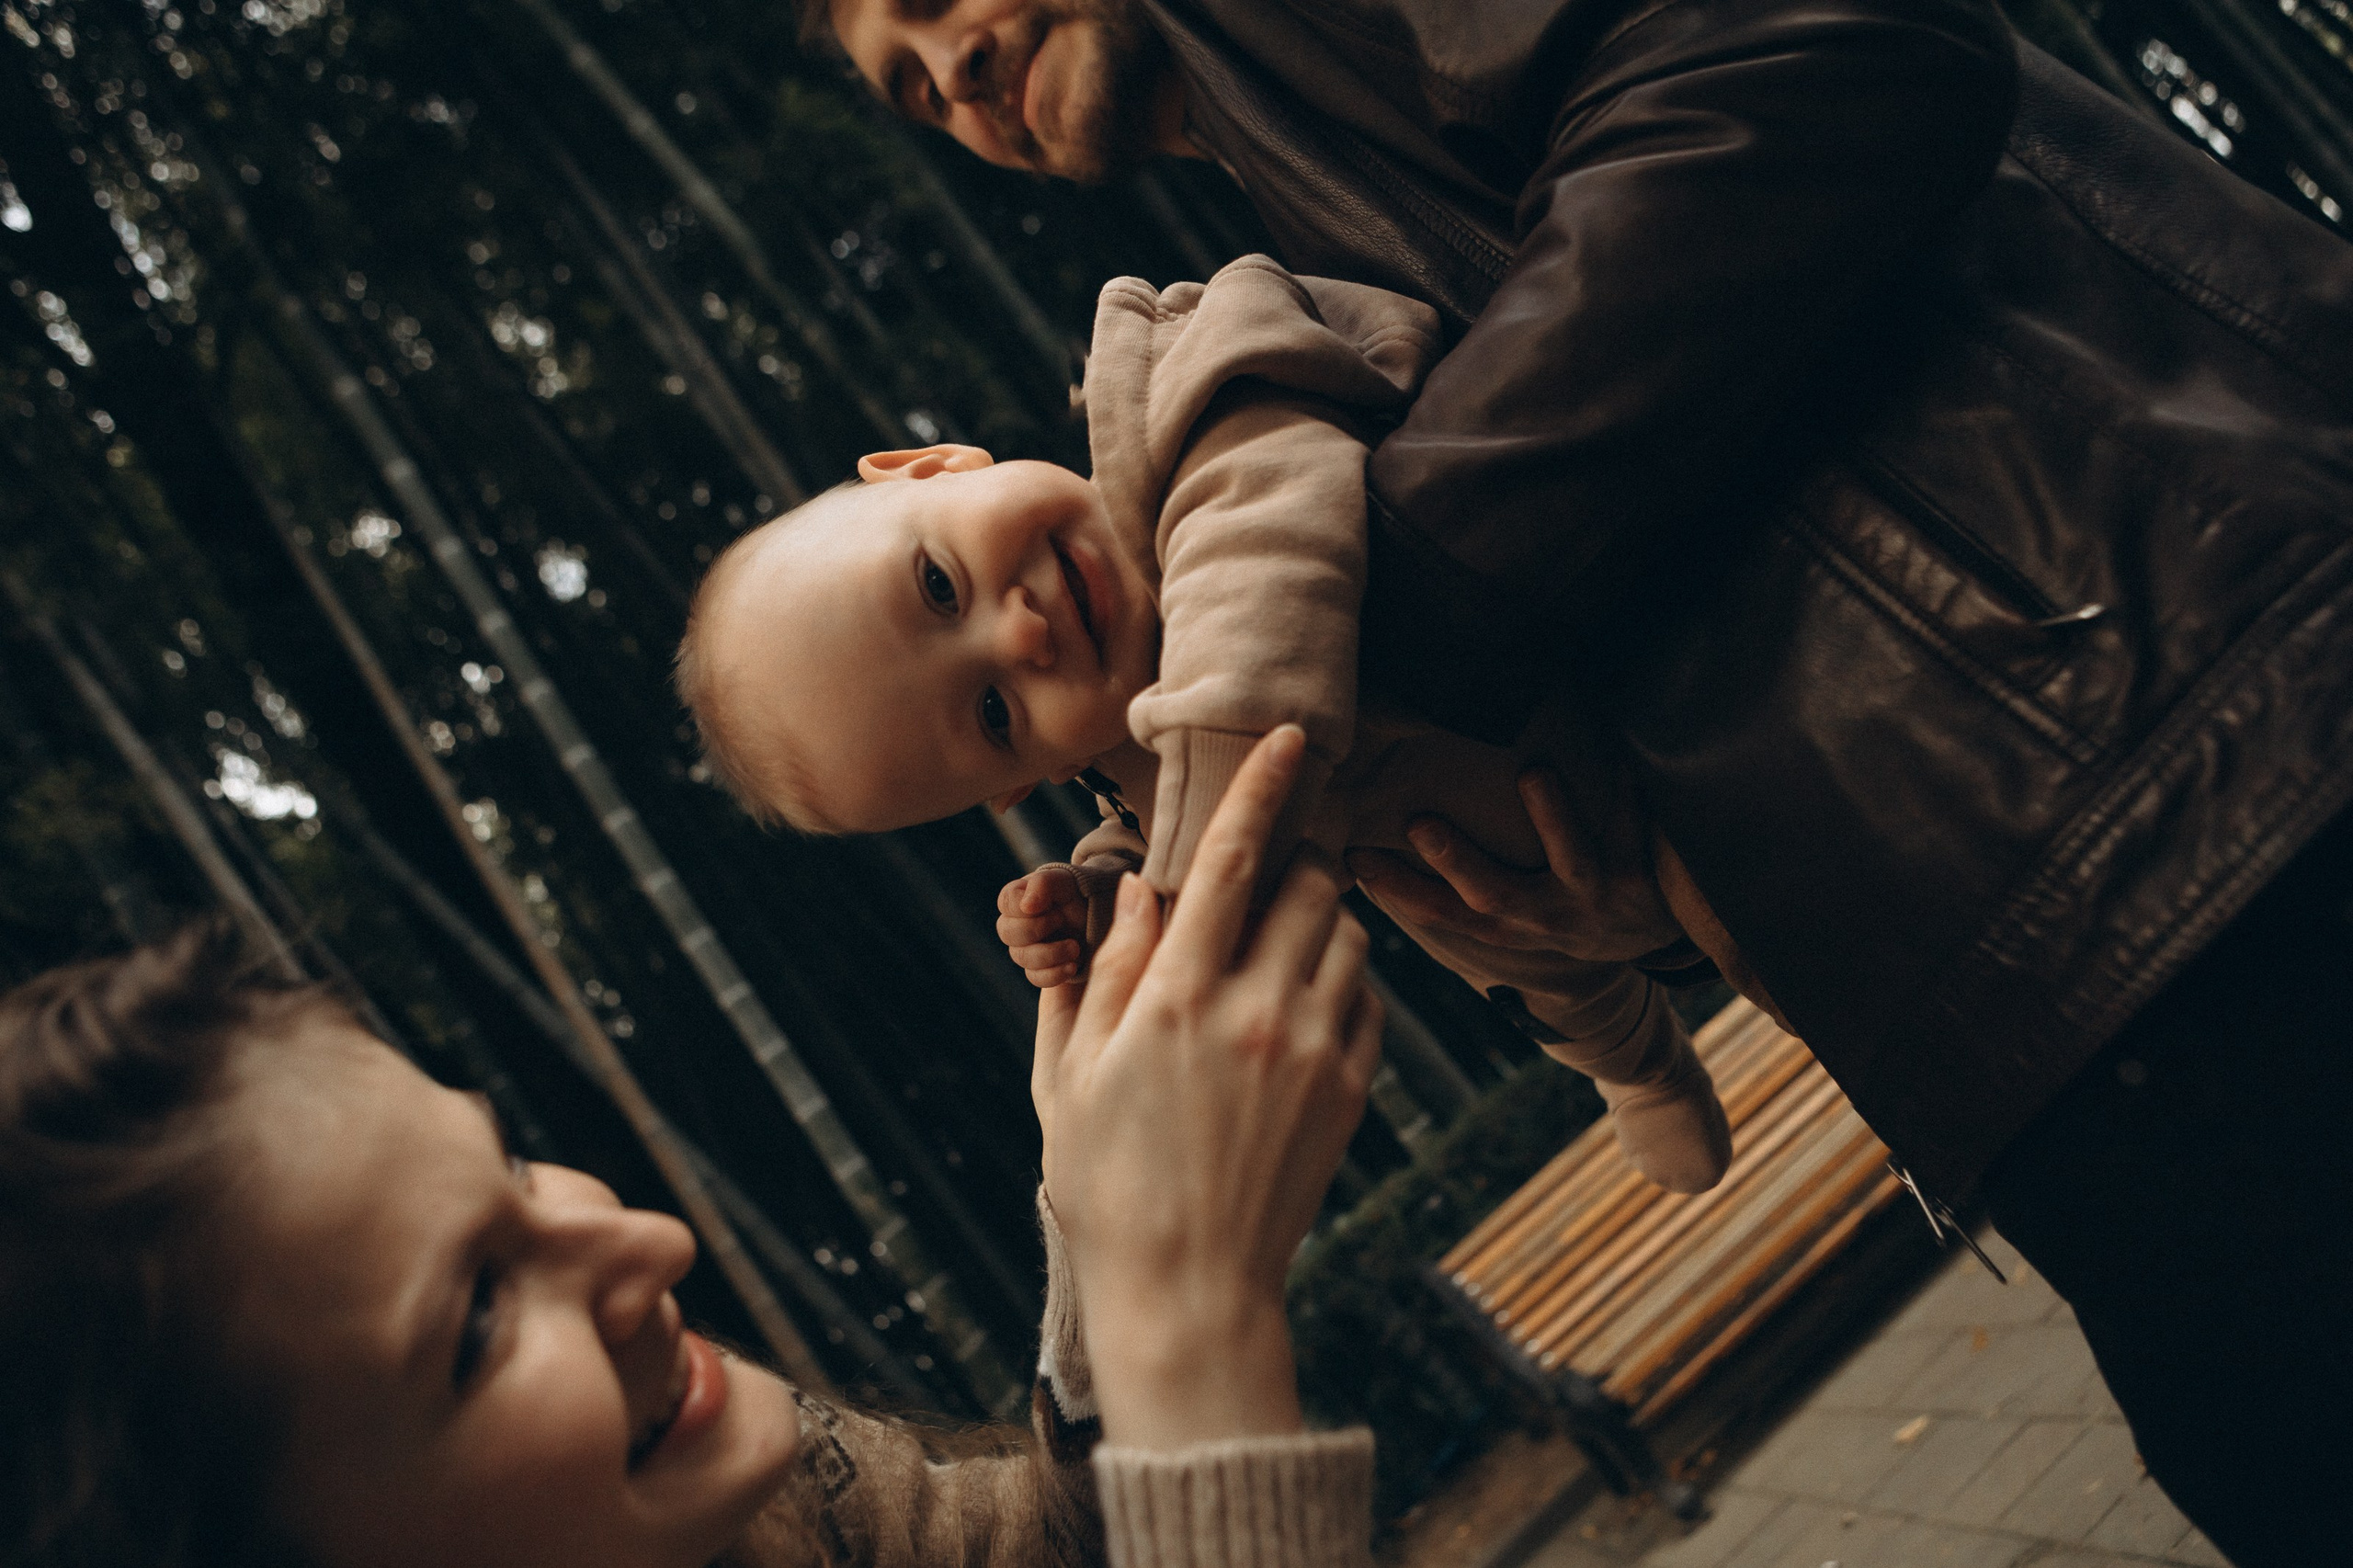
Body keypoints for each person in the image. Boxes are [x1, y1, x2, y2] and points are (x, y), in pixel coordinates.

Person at [809, 0, 2353, 1561]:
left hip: (2206, 762)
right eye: (907, 88)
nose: (949, 75)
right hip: (2067, 870)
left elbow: (1815, 51)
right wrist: (1643, 890)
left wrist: (1377, 645)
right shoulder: (1299, 154)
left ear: (923, 474)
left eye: (929, 14)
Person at [3, 730, 1392, 1568]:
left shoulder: (758, 1516)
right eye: (480, 1309)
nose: (651, 1240)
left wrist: (1104, 1217)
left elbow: (1057, 1548)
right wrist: (1189, 1302)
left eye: (516, 1174)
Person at [675, 255, 1733, 1192]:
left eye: (940, 584)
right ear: (1019, 782)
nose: (1022, 632)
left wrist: (1192, 896)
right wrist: (1103, 902)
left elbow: (1266, 551)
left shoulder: (1176, 397)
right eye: (994, 711)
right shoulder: (1131, 745)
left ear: (937, 465)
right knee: (1515, 953)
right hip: (1541, 889)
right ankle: (1637, 1066)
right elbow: (1148, 823)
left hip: (1680, 689)